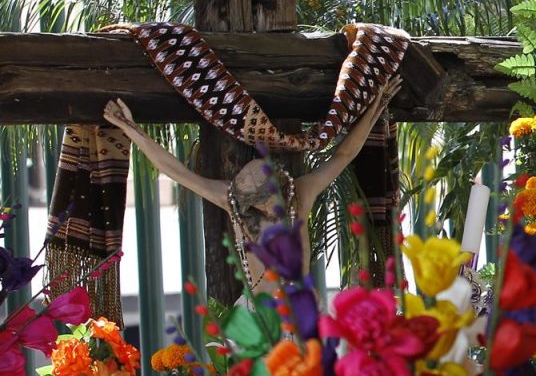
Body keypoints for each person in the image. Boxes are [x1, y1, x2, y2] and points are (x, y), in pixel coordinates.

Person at [100, 76, 401, 285]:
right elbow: (176, 171)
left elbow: (343, 155)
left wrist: (375, 107)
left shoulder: (300, 195)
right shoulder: (233, 203)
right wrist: (130, 128)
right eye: (255, 197)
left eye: (267, 190)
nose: (264, 201)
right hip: (258, 324)